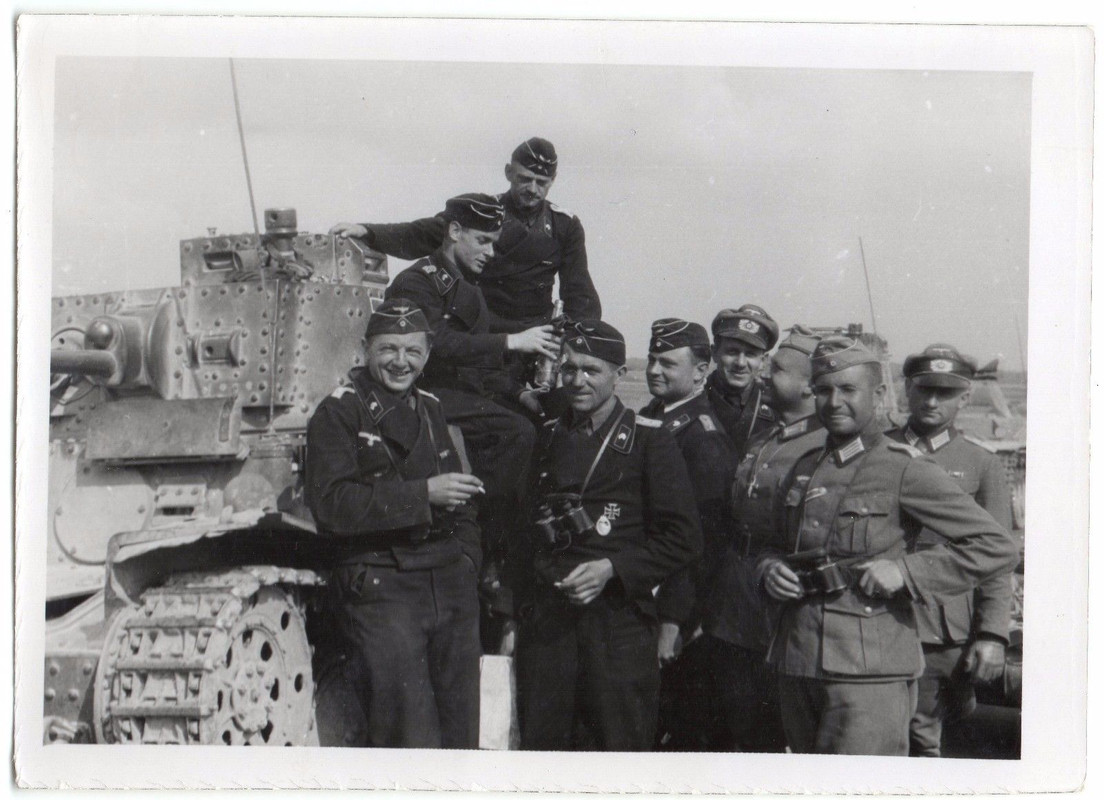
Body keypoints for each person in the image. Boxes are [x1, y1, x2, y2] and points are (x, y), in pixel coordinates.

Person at [758, 336, 1019, 756]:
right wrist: (769, 569)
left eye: (848, 389)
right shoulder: (804, 464)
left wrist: (906, 571)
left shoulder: (903, 467)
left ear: (878, 394)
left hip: (868, 668)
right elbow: (771, 544)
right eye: (823, 390)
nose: (834, 402)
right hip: (798, 657)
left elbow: (997, 546)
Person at [508, 319, 702, 751]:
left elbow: (684, 537)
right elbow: (522, 533)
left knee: (617, 754)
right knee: (544, 755)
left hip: (617, 626)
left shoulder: (650, 441)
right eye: (569, 369)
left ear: (619, 374)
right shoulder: (547, 437)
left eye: (591, 370)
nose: (577, 381)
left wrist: (613, 568)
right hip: (550, 629)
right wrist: (512, 613)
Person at [305, 299, 483, 748]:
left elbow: (463, 495)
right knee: (408, 736)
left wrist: (467, 561)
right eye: (388, 349)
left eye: (413, 351)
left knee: (461, 732)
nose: (401, 362)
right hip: (384, 584)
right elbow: (331, 504)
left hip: (448, 580)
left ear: (427, 355)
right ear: (366, 349)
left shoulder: (431, 406)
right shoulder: (339, 411)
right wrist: (423, 495)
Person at [383, 192, 559, 645]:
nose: (490, 252)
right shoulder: (417, 282)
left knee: (534, 427)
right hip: (423, 395)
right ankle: (484, 534)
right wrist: (511, 342)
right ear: (454, 231)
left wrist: (520, 392)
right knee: (515, 434)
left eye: (495, 243)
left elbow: (479, 366)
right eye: (483, 240)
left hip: (459, 396)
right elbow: (430, 344)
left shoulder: (465, 286)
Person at [700, 324, 826, 752]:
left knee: (769, 730)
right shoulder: (764, 438)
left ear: (810, 385)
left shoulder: (824, 447)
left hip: (779, 607)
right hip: (735, 599)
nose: (762, 373)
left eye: (777, 369)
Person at [331, 136, 601, 332]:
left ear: (553, 181)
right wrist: (368, 231)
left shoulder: (565, 226)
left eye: (541, 182)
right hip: (484, 327)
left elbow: (579, 292)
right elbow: (426, 232)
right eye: (524, 179)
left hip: (536, 332)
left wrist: (574, 340)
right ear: (508, 173)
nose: (532, 189)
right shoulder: (486, 212)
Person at [889, 343, 1014, 757]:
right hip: (878, 616)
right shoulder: (876, 450)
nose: (931, 401)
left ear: (965, 397)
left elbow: (997, 559)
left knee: (933, 742)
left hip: (943, 629)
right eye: (923, 389)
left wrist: (992, 634)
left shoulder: (981, 463)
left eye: (945, 393)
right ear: (906, 389)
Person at [636, 318, 737, 750]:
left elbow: (705, 545)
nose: (654, 370)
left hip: (670, 608)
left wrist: (674, 620)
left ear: (701, 371)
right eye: (651, 360)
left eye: (668, 363)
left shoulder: (702, 439)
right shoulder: (652, 417)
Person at [705, 304, 779, 456]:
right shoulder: (693, 399)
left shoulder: (776, 409)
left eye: (750, 354)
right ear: (715, 352)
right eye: (732, 352)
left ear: (763, 361)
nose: (740, 363)